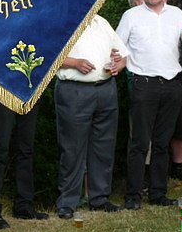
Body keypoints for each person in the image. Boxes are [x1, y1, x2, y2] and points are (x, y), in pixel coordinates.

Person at [116, 0, 182, 210]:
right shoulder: (131, 16)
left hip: (172, 85)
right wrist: (118, 62)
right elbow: (118, 47)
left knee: (162, 143)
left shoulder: (177, 15)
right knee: (139, 143)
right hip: (144, 85)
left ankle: (158, 193)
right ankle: (133, 195)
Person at [54, 14, 128, 218]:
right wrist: (74, 62)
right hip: (74, 90)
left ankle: (100, 198)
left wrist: (117, 65)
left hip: (105, 89)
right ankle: (67, 202)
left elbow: (122, 55)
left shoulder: (102, 22)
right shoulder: (62, 20)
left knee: (103, 145)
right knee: (72, 147)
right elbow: (46, 55)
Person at [0, 101, 48, 229]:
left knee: (26, 149)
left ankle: (23, 206)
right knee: (0, 150)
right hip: (5, 91)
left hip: (29, 92)